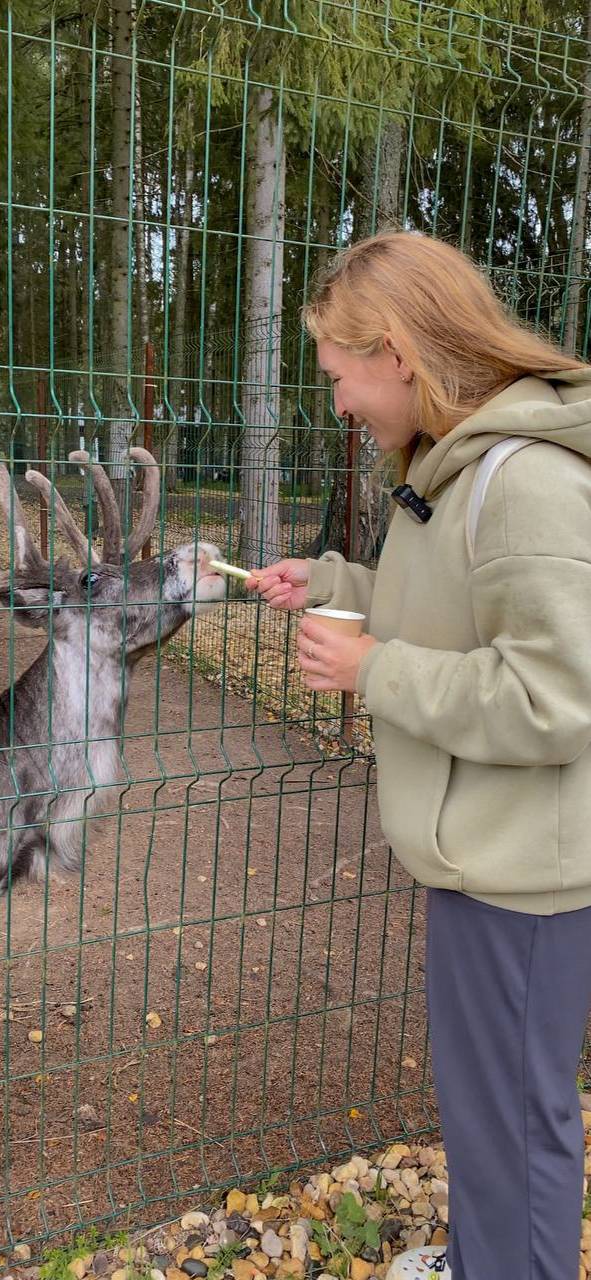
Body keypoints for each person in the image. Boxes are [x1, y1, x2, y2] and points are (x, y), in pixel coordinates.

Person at [247, 230, 591, 1280]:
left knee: (514, 1128)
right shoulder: (451, 470)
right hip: (488, 863)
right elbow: (451, 618)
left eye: (340, 373)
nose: (339, 401)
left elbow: (555, 694)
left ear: (394, 351)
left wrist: (370, 669)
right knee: (490, 1111)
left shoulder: (520, 482)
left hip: (523, 881)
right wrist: (335, 585)